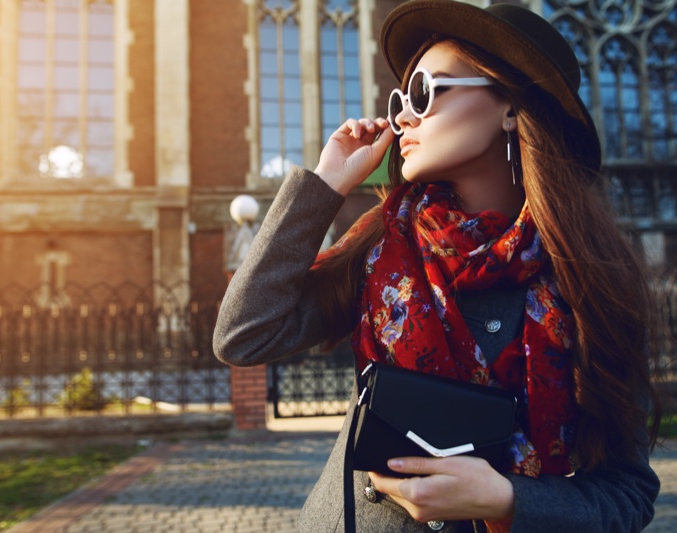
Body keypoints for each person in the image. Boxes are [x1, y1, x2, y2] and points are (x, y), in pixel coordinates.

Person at [213, 1, 662, 531]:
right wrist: (326, 184)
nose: (402, 114)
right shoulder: (382, 247)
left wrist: (506, 499)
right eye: (401, 98)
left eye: (425, 93)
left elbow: (628, 495)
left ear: (511, 109)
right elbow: (243, 336)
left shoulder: (588, 282)